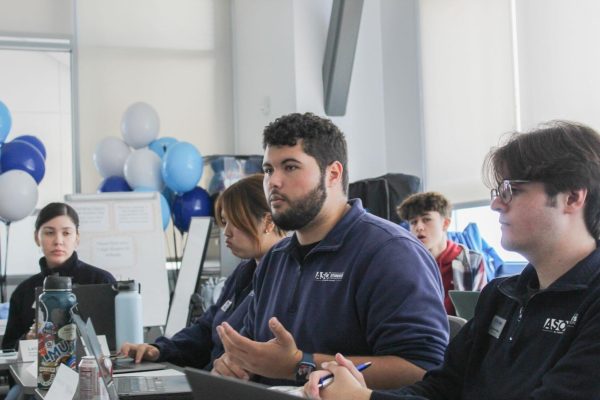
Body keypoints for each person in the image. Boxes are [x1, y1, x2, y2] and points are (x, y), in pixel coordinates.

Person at [304, 120, 600, 399]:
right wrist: (361, 391)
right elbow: (438, 391)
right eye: (499, 192)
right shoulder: (500, 296)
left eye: (513, 190)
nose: (496, 204)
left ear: (572, 198)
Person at [213, 112, 448, 389]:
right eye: (268, 170)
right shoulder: (273, 261)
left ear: (333, 174)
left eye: (289, 167)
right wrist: (235, 364)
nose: (273, 182)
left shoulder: (390, 253)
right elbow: (255, 354)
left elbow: (424, 369)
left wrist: (299, 365)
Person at [119, 174, 286, 369]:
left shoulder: (283, 278)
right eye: (225, 221)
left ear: (267, 222)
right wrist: (159, 350)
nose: (227, 232)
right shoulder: (243, 272)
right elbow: (206, 329)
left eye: (235, 222)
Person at [2, 202, 116, 351]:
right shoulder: (23, 291)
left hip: (92, 370)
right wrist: (27, 340)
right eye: (49, 232)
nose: (58, 241)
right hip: (38, 372)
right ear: (37, 237)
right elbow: (7, 348)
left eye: (66, 233)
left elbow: (119, 343)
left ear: (77, 238)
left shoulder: (101, 281)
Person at [396, 192, 486, 315]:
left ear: (445, 223)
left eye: (426, 219)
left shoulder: (471, 261)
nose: (419, 227)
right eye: (413, 222)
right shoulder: (406, 263)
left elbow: (479, 313)